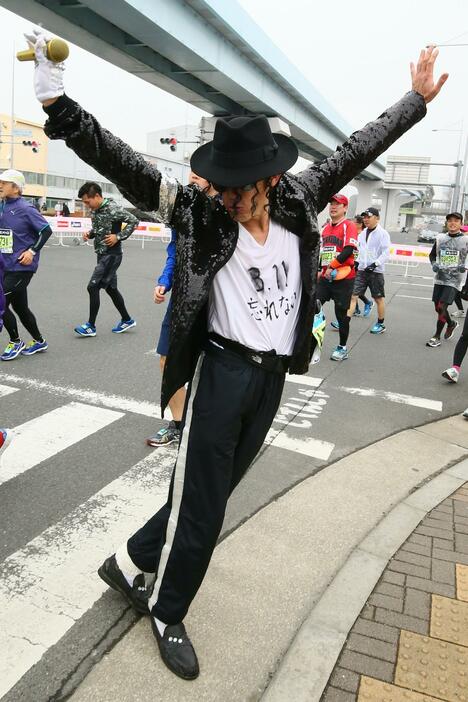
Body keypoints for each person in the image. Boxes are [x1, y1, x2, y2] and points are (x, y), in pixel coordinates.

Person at [30, 27, 446, 679]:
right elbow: (127, 167)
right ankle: (166, 608)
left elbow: (359, 144)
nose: (229, 194)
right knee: (203, 508)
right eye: (221, 183)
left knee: (212, 491)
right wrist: (62, 110)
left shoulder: (300, 202)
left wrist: (414, 103)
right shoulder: (199, 215)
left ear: (270, 176)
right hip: (222, 371)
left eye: (240, 184)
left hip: (272, 376)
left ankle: (129, 559)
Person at [147, 172, 217, 448]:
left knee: (214, 366)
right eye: (192, 174)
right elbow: (175, 250)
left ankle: (208, 423)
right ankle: (178, 423)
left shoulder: (229, 207)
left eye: (200, 176)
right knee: (166, 358)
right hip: (183, 298)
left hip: (218, 301)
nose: (193, 179)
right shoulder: (184, 207)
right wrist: (164, 281)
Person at [74, 181, 139, 336]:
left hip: (112, 255)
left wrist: (118, 236)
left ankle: (90, 326)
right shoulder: (96, 210)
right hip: (102, 254)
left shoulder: (113, 208)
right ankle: (127, 320)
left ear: (96, 196)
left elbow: (134, 221)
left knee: (93, 287)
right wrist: (90, 234)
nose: (87, 205)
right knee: (111, 289)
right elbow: (99, 229)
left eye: (87, 202)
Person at [0, 169, 51, 360]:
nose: (0, 185)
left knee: (1, 303)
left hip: (21, 266)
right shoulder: (2, 206)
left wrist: (32, 251)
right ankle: (39, 341)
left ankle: (15, 341)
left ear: (15, 187)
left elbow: (46, 231)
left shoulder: (26, 208)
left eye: (3, 183)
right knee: (21, 308)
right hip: (5, 265)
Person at [317, 194, 358, 360]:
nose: (333, 207)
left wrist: (332, 266)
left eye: (338, 204)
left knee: (341, 315)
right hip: (326, 278)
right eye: (331, 204)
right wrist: (319, 269)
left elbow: (349, 249)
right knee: (314, 305)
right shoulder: (325, 228)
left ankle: (342, 347)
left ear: (345, 208)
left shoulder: (349, 225)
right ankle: (311, 342)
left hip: (344, 277)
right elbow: (320, 252)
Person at [426, 212, 468, 348]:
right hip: (440, 278)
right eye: (450, 220)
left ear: (461, 224)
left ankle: (436, 336)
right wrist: (434, 264)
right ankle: (451, 323)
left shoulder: (466, 240)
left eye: (456, 220)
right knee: (437, 308)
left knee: (442, 306)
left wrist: (465, 266)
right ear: (446, 223)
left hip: (455, 280)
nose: (452, 223)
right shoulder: (440, 238)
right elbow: (432, 255)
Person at [348, 207, 391, 334]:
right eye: (364, 217)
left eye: (369, 217)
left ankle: (381, 323)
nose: (365, 219)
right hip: (361, 270)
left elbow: (386, 252)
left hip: (375, 272)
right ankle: (344, 321)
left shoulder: (383, 233)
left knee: (378, 299)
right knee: (353, 296)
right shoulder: (362, 233)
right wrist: (355, 263)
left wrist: (375, 264)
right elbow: (359, 250)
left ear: (377, 218)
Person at [330, 214, 373, 328]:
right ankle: (359, 307)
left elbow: (360, 252)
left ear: (359, 224)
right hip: (350, 267)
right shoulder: (352, 234)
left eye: (355, 222)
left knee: (353, 293)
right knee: (352, 293)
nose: (352, 223)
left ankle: (344, 321)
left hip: (358, 267)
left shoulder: (362, 236)